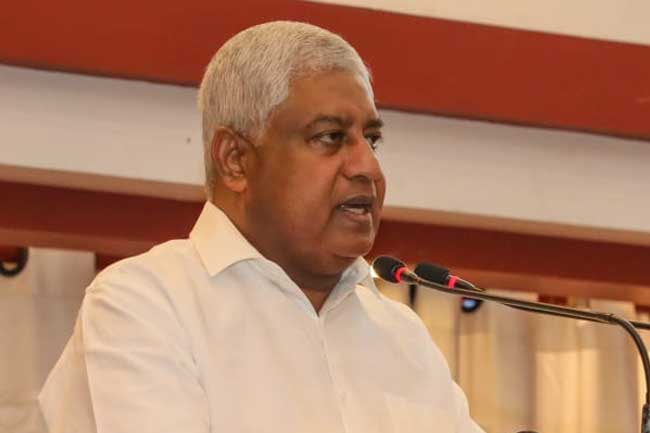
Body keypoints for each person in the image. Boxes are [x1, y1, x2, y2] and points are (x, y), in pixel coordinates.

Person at [39, 21, 484, 433]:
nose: (368, 166)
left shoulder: (403, 337)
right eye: (330, 137)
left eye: (372, 139)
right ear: (235, 160)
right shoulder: (146, 303)